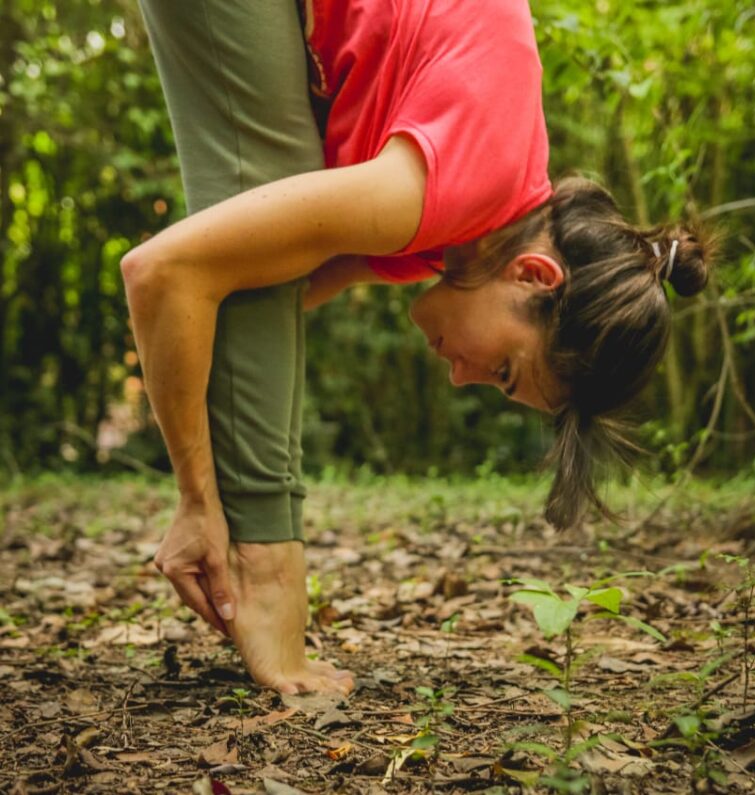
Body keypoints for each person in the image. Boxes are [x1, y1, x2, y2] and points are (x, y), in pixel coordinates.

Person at [125, 0, 713, 695]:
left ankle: (267, 558)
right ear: (534, 275)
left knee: (261, 263)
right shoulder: (434, 194)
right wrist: (199, 501)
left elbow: (255, 302)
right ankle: (268, 567)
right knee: (258, 211)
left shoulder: (461, 224)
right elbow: (166, 272)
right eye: (503, 369)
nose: (463, 378)